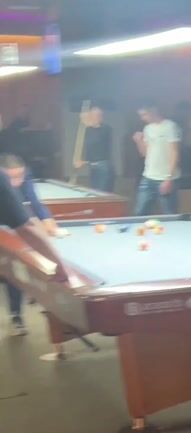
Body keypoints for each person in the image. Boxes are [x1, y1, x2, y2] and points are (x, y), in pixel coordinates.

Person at [0, 154, 62, 334]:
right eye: (11, 177)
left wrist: (47, 219)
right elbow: (25, 229)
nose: (16, 182)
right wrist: (58, 266)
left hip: (10, 226)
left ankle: (17, 315)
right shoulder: (3, 182)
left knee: (14, 267)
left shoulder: (23, 178)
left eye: (19, 176)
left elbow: (34, 201)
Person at [132, 104, 181, 215]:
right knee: (139, 213)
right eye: (141, 115)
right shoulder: (147, 128)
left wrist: (168, 178)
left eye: (144, 114)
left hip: (165, 178)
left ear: (153, 111)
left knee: (169, 214)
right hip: (148, 177)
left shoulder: (170, 126)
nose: (142, 118)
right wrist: (138, 141)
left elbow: (175, 152)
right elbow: (145, 154)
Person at [74, 105, 114, 193]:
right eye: (92, 116)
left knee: (102, 194)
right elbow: (89, 149)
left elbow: (99, 151)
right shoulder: (88, 130)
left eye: (97, 116)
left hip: (103, 167)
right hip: (93, 167)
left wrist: (83, 162)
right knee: (94, 192)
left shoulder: (106, 129)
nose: (94, 118)